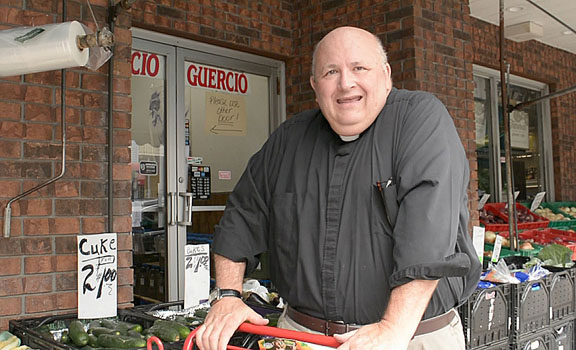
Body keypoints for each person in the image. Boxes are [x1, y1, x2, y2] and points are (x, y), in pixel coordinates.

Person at [195, 26, 481, 350]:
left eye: (359, 68)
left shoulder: (420, 119)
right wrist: (228, 296)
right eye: (331, 72)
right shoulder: (288, 140)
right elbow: (242, 216)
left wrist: (393, 329)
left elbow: (428, 232)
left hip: (409, 337)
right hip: (301, 337)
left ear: (386, 75)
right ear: (316, 87)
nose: (346, 83)